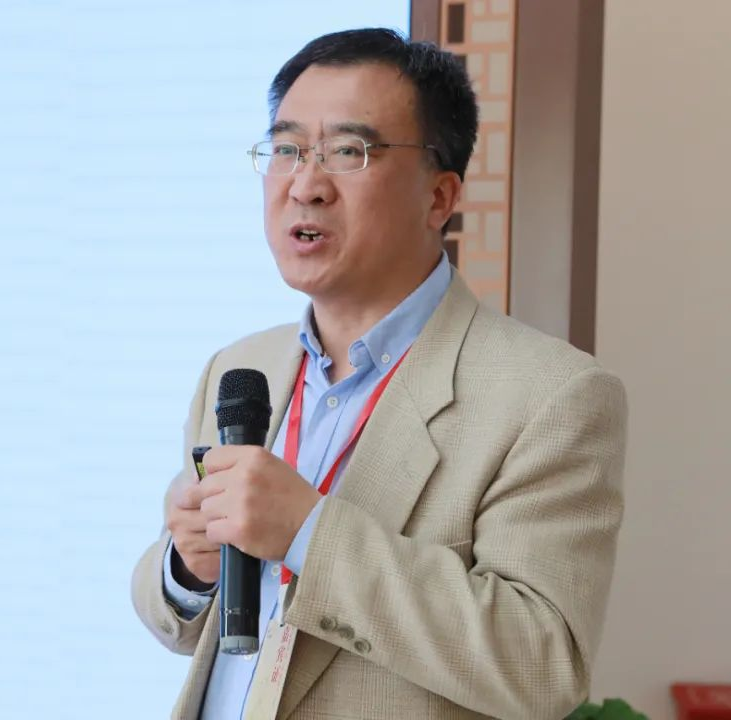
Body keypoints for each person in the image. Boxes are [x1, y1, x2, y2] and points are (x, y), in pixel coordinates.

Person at [130, 28, 627, 720]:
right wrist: (187, 569)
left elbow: (539, 665)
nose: (305, 185)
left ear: (439, 197)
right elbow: (183, 627)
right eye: (287, 149)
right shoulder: (240, 368)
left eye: (347, 152)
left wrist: (308, 531)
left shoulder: (550, 395)